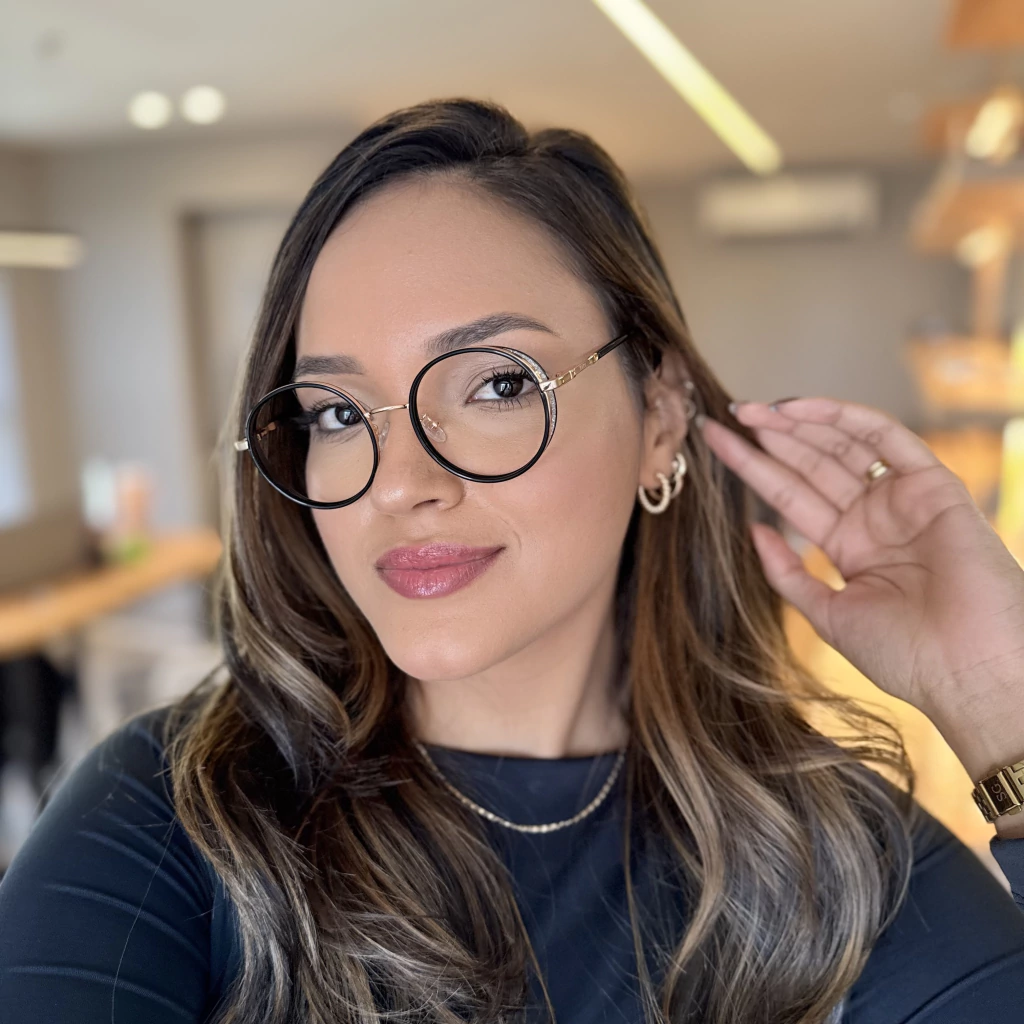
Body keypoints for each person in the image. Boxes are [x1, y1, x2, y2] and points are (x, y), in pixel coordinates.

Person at [2, 97, 1024, 1024]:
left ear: (661, 415)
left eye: (496, 384)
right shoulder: (172, 821)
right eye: (338, 412)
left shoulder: (831, 857)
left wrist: (999, 698)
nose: (399, 482)